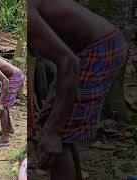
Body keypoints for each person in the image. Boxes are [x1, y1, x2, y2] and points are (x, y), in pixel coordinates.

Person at [28, 0, 128, 180]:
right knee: (59, 125)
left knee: (59, 134)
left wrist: (53, 132)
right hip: (93, 48)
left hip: (99, 48)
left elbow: (68, 62)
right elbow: (63, 57)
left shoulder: (27, 13)